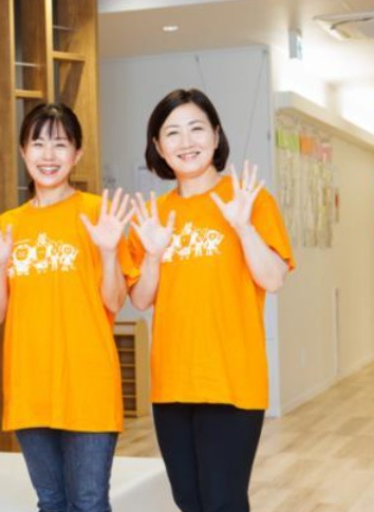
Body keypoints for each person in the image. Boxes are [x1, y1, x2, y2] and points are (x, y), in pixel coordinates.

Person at [128, 88, 295, 512]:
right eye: (172, 133)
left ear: (216, 136)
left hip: (231, 378)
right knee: (189, 501)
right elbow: (142, 299)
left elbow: (274, 278)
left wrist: (243, 227)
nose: (186, 142)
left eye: (196, 129)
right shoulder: (151, 215)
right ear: (158, 147)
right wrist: (152, 254)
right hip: (172, 381)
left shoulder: (249, 200)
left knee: (223, 501)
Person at [0, 102, 136, 512]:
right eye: (38, 143)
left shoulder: (97, 214)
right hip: (30, 384)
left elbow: (115, 301)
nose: (48, 155)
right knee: (50, 501)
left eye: (60, 144)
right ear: (23, 151)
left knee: (89, 502)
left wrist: (109, 251)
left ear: (77, 153)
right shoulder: (7, 224)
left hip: (88, 383)